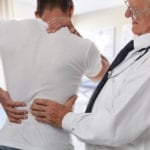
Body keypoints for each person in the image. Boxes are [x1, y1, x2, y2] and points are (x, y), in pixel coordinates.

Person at [31, 0, 150, 150]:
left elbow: (114, 127)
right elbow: (108, 79)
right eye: (129, 8)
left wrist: (63, 117)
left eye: (134, 10)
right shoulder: (138, 51)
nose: (127, 15)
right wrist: (74, 38)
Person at [0, 0, 109, 150]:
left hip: (8, 141)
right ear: (71, 10)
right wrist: (76, 34)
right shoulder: (83, 46)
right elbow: (107, 76)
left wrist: (1, 94)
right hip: (53, 145)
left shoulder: (7, 29)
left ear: (37, 14)